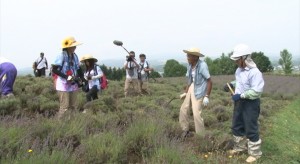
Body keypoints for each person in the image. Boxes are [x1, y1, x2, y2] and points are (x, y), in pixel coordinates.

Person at [224, 44, 264, 163]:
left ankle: (255, 154)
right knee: (237, 125)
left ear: (245, 58)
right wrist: (232, 84)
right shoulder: (239, 70)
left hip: (250, 104)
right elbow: (240, 82)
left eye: (238, 59)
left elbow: (256, 91)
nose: (236, 62)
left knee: (250, 126)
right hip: (239, 102)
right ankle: (239, 148)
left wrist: (240, 95)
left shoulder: (255, 72)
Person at [179, 48, 212, 137]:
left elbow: (209, 81)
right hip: (193, 86)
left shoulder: (202, 66)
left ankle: (200, 136)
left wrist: (207, 96)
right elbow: (190, 81)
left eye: (189, 56)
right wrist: (186, 93)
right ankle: (185, 130)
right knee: (183, 109)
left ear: (195, 57)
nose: (187, 58)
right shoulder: (189, 65)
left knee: (196, 113)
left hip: (200, 89)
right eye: (187, 55)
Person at [51, 36, 85, 119]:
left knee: (73, 106)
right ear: (68, 47)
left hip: (73, 85)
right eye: (73, 46)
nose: (75, 47)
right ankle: (59, 124)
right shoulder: (61, 56)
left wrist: (82, 79)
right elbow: (54, 70)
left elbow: (78, 68)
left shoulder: (75, 56)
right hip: (63, 85)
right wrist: (66, 77)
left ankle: (72, 123)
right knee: (64, 107)